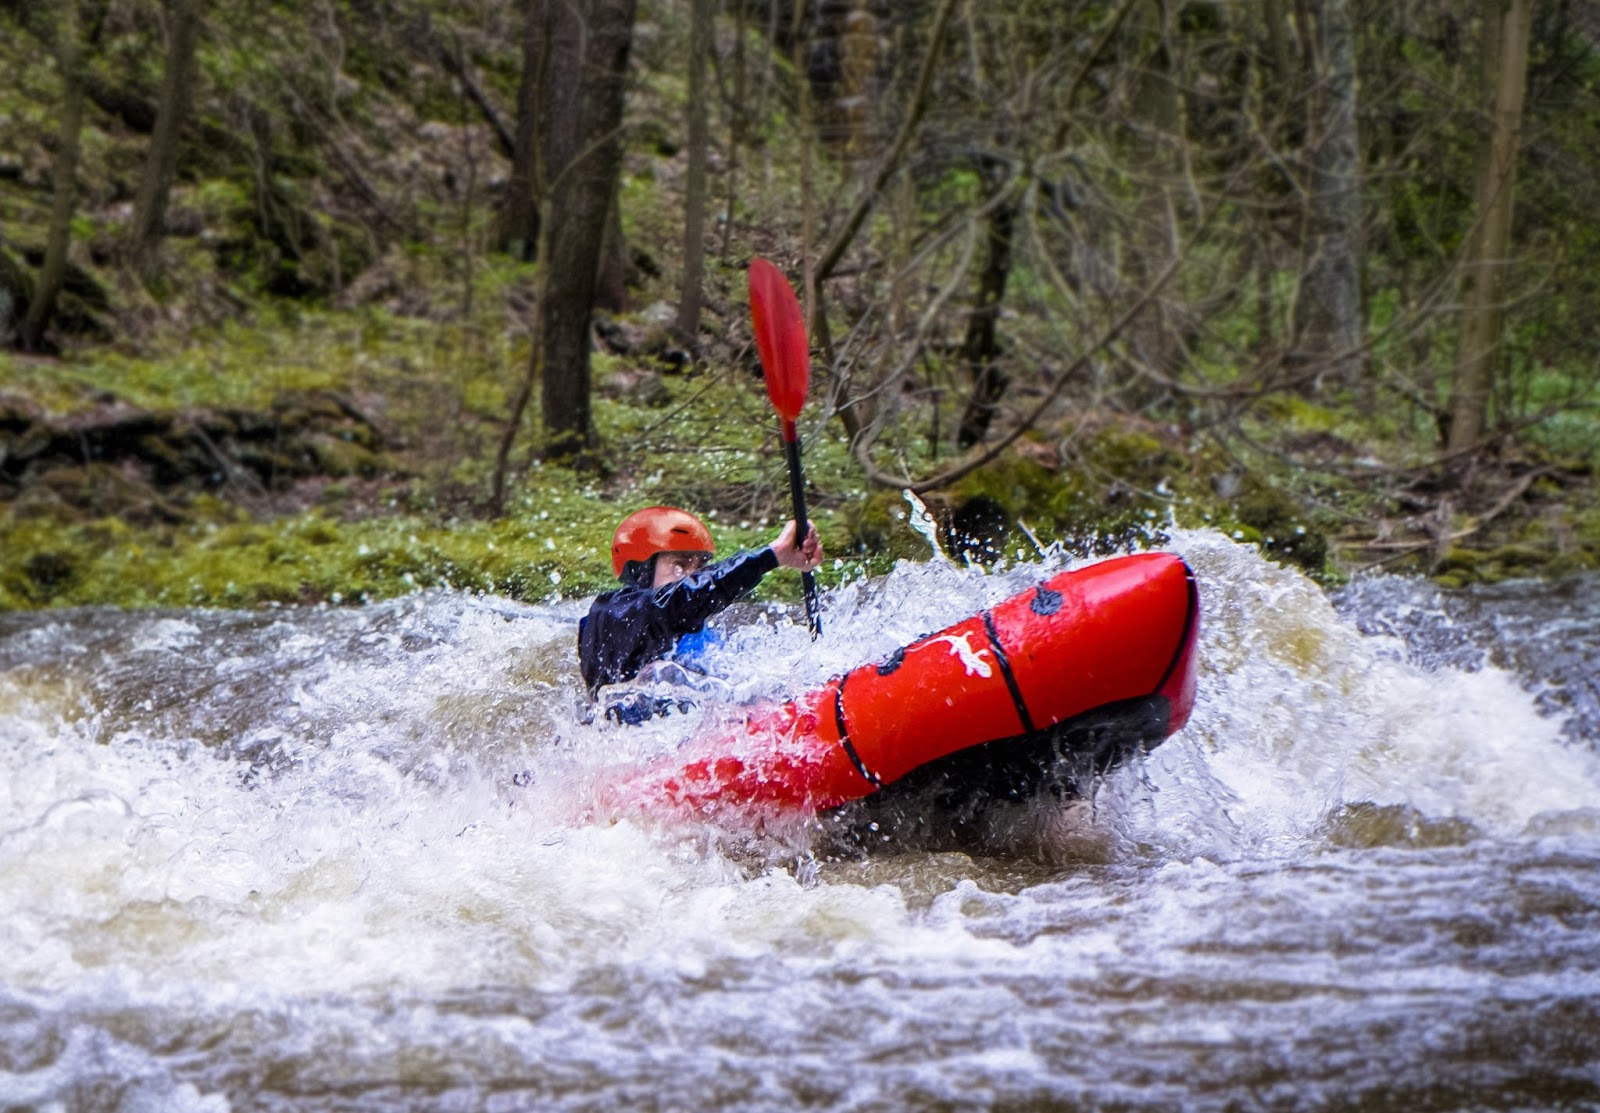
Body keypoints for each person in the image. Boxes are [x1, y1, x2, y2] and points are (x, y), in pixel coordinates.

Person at [578, 505, 823, 722]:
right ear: (641, 572)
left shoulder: (699, 637)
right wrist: (771, 556)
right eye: (679, 565)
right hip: (633, 752)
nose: (692, 576)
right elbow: (676, 601)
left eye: (700, 567)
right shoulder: (613, 615)